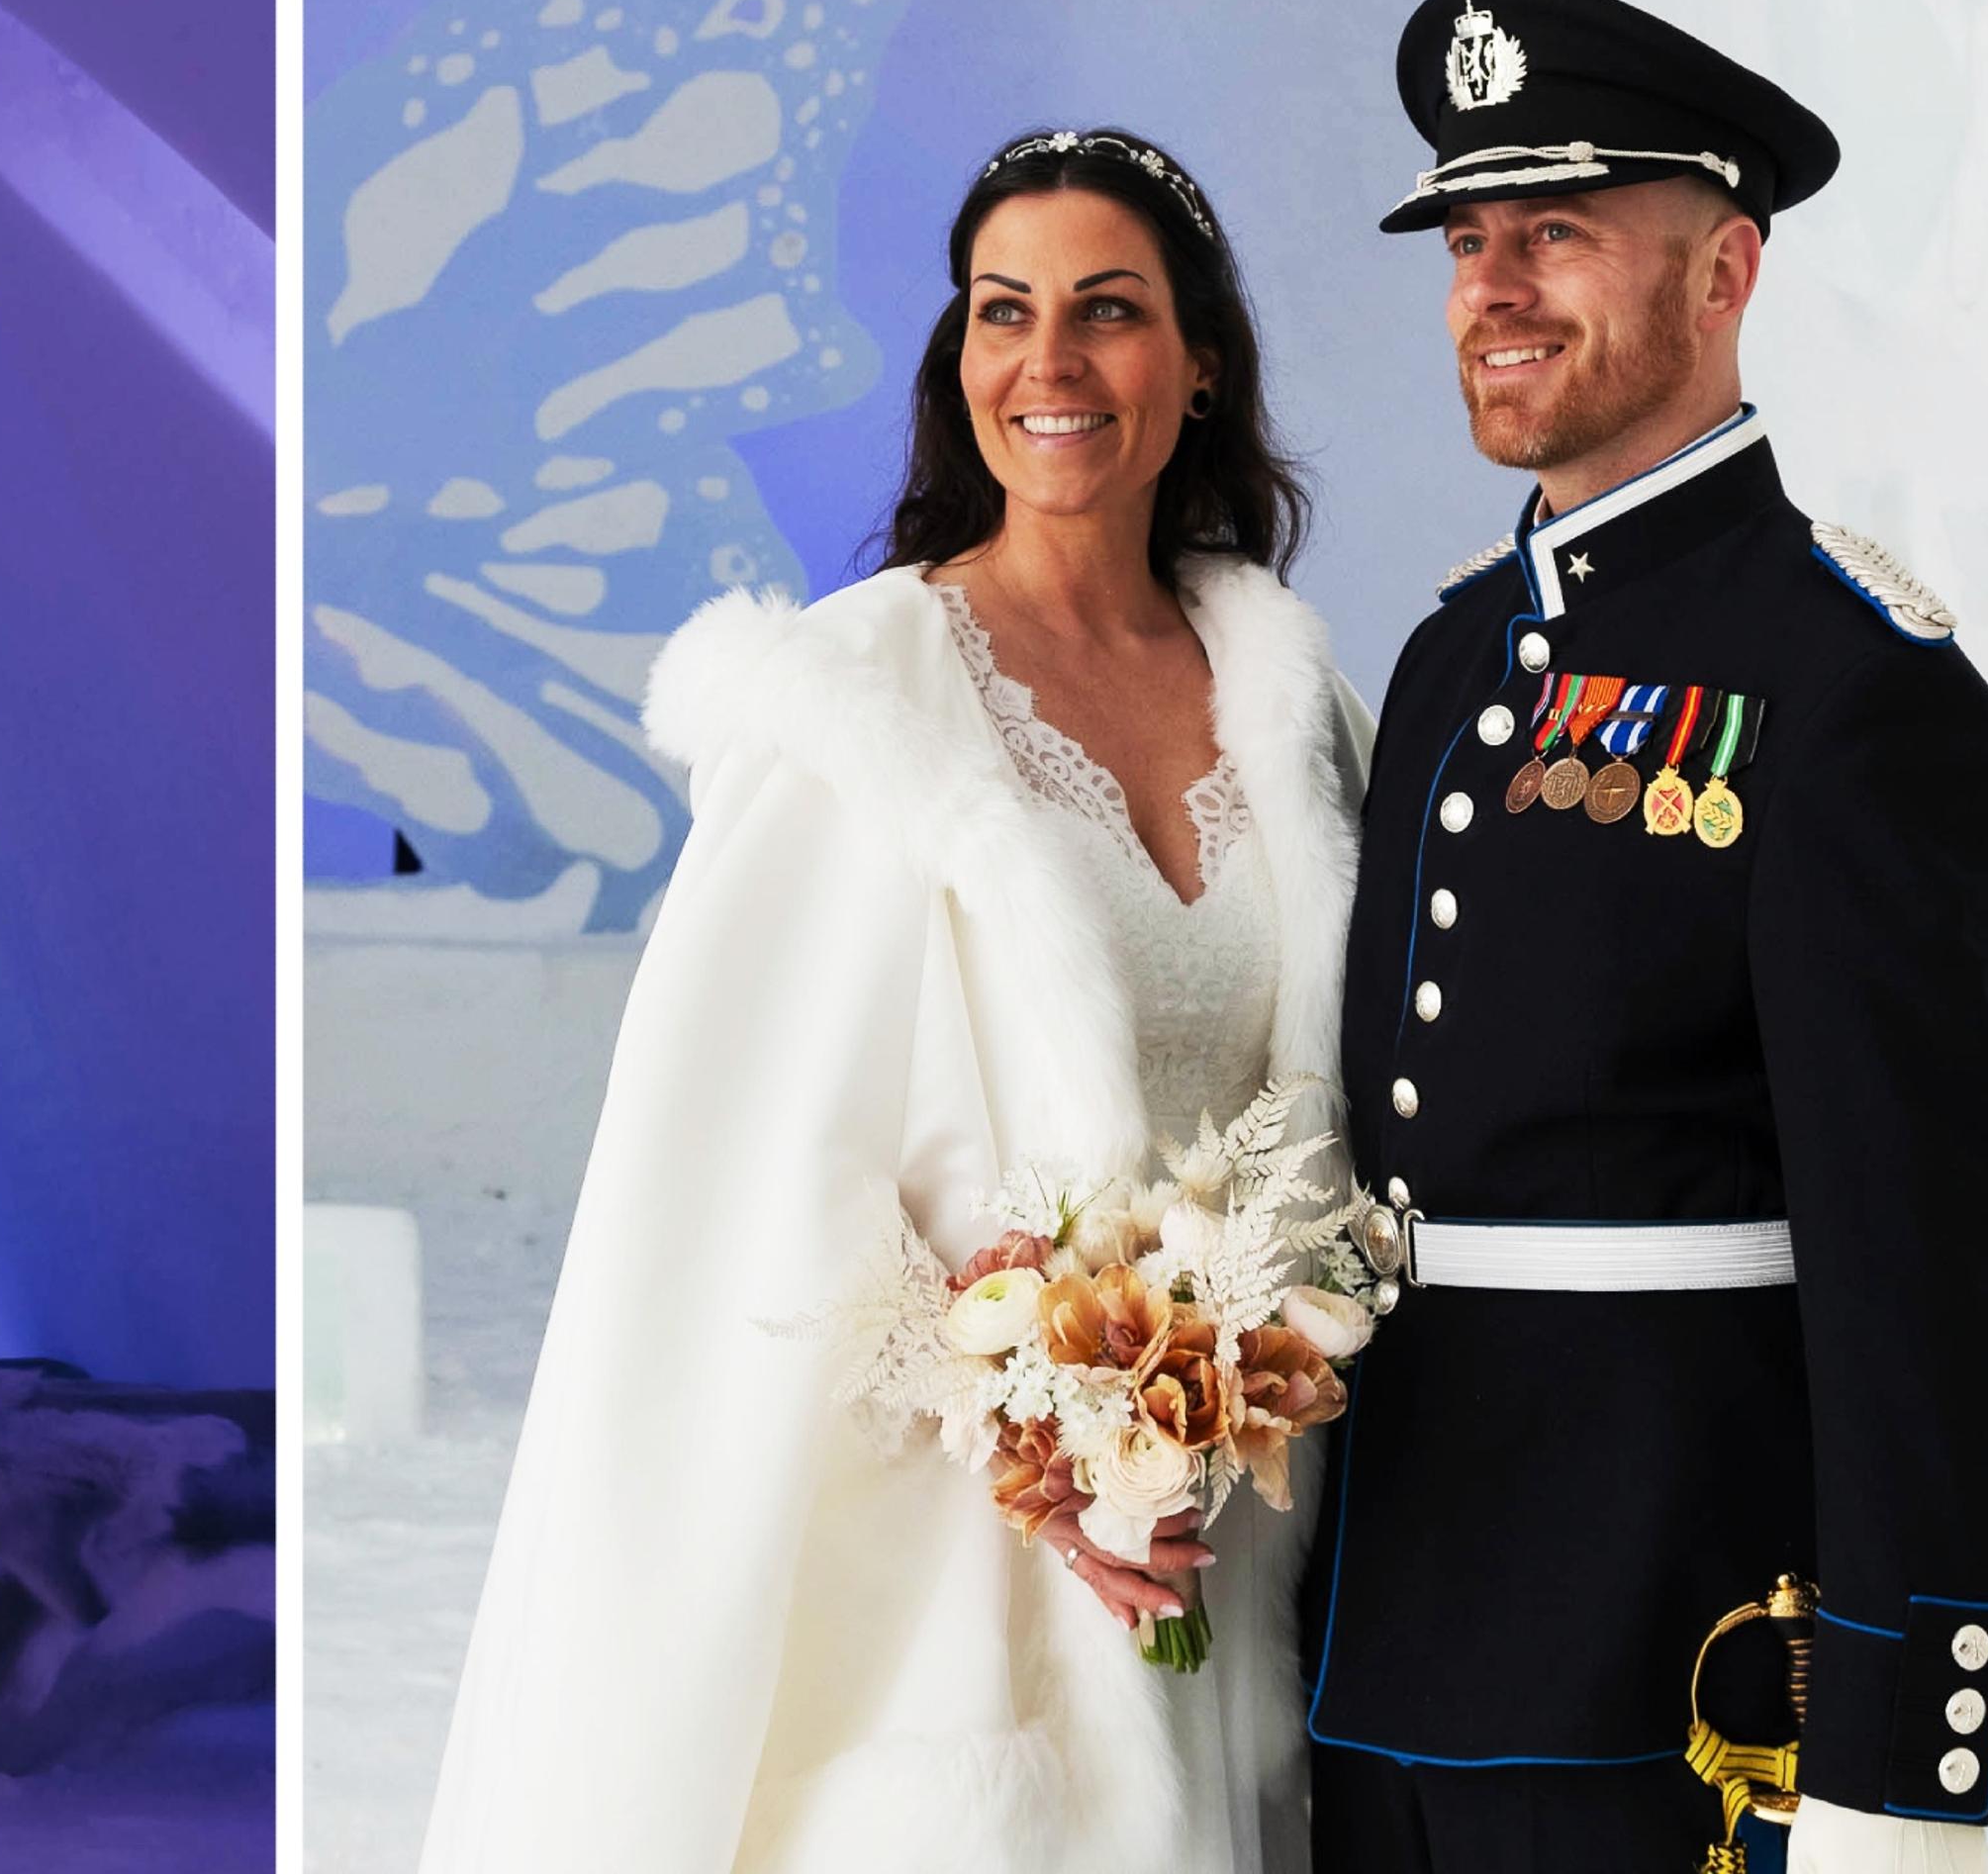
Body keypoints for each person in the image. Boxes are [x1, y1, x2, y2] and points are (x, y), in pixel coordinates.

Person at [418, 126, 1367, 1874]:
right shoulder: (855, 714)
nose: (1050, 363)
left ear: (1202, 360)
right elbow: (731, 1197)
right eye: (1003, 312)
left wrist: (1213, 1399)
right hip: (947, 1619)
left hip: (1232, 1585)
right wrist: (1036, 1417)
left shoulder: (1291, 710)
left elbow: (1332, 1129)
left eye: (1109, 310)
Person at [1306, 0, 1988, 1874]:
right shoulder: (1453, 650)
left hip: (1677, 1689)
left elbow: (1931, 1290)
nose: (1492, 288)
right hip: (1375, 1657)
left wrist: (1902, 1767)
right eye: (1469, 240)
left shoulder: (1855, 690)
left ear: (1725, 273)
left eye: (1556, 232)